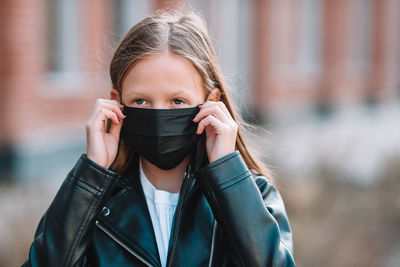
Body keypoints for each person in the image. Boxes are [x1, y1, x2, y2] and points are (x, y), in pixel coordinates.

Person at [22, 10, 295, 267]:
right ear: (117, 104)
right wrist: (91, 172)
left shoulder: (253, 195)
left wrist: (226, 171)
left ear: (211, 103)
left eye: (177, 100)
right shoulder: (90, 202)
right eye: (140, 101)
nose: (158, 115)